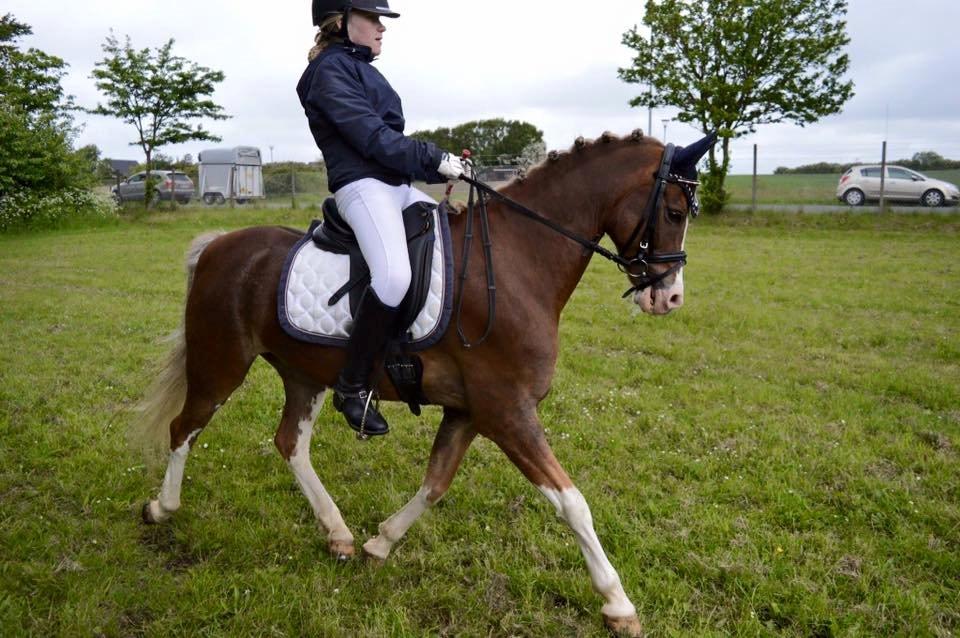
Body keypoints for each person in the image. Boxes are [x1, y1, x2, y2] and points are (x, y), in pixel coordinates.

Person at [297, 0, 464, 437]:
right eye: (373, 18)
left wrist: (436, 166)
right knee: (391, 277)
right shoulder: (328, 73)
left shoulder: (363, 68)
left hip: (394, 185)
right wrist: (433, 158)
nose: (381, 28)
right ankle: (353, 386)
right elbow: (371, 137)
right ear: (341, 21)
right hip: (362, 186)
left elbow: (390, 140)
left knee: (450, 240)